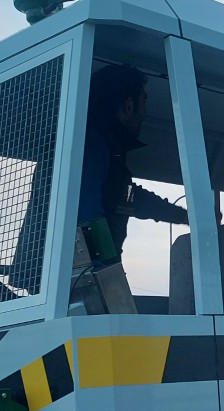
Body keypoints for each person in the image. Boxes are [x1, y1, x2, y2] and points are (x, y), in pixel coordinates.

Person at [77, 63, 188, 263]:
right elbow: (87, 214)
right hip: (76, 272)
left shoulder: (103, 148)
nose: (145, 113)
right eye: (144, 101)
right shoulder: (92, 145)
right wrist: (104, 269)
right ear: (129, 105)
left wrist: (182, 216)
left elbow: (129, 197)